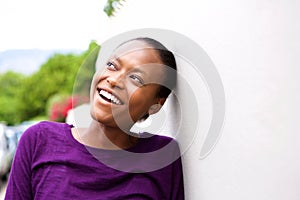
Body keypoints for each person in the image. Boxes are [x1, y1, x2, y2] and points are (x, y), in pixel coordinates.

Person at [5, 37, 184, 199]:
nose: (114, 80)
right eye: (112, 65)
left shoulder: (162, 157)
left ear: (156, 104)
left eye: (136, 78)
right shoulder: (40, 140)